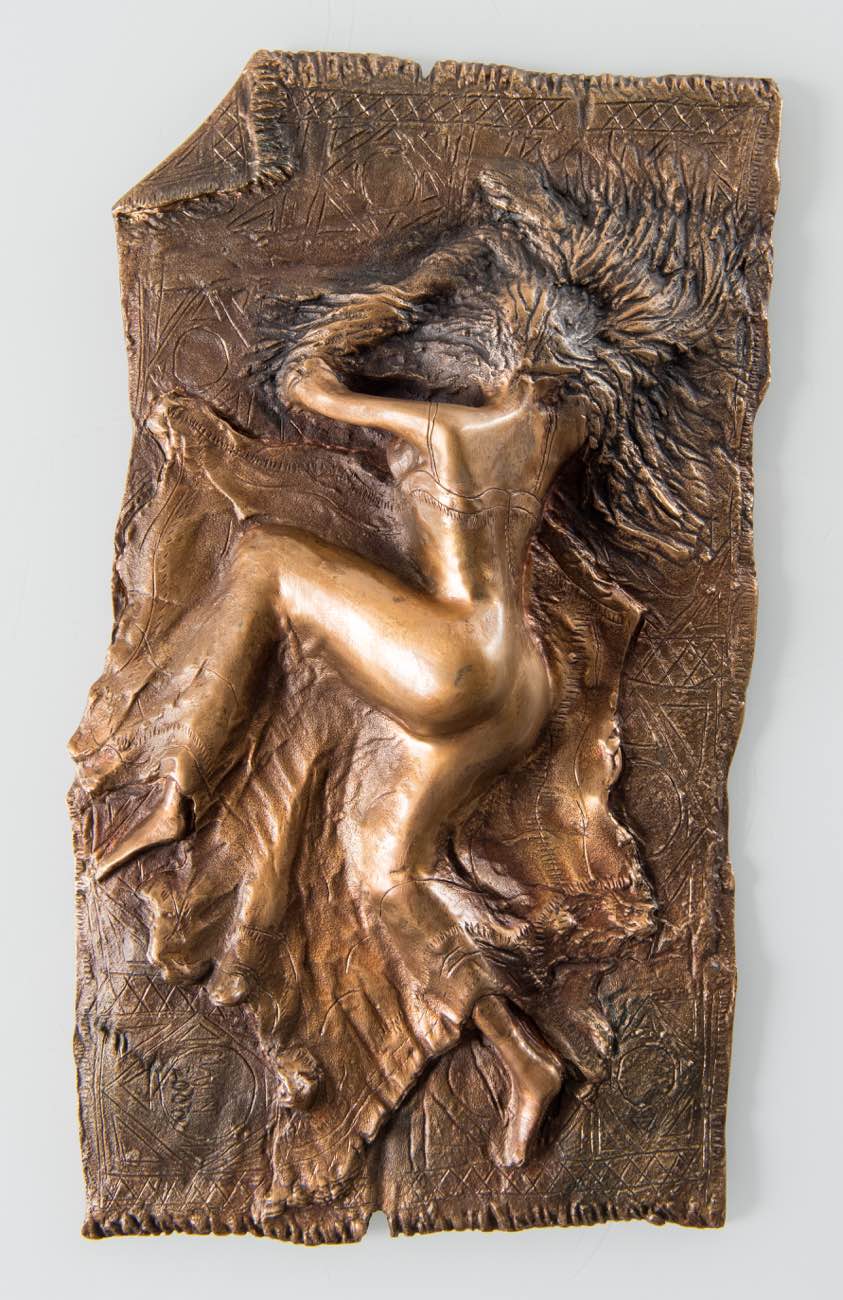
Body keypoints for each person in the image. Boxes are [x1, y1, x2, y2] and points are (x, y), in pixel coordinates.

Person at [71, 158, 741, 1168]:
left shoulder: (448, 427)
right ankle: (523, 1057)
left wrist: (403, 295)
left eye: (503, 327)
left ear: (519, 348)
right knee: (386, 869)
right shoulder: (562, 427)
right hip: (517, 688)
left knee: (264, 555)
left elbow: (300, 384)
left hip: (453, 662)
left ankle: (177, 791)